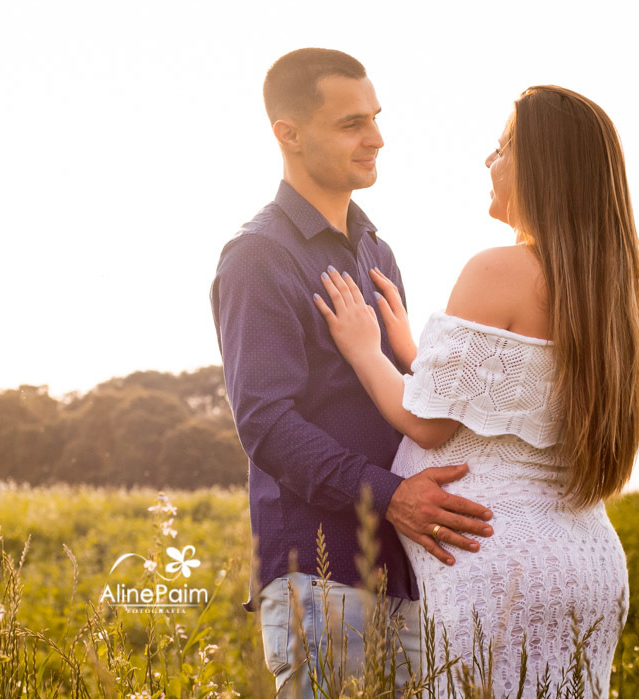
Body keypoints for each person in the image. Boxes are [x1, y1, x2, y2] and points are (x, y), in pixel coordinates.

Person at [313, 85, 639, 695]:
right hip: (590, 564)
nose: (489, 163)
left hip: (501, 560)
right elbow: (515, 395)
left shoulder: (498, 268)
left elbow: (429, 424)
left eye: (502, 148)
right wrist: (416, 354)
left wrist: (366, 350)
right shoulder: (609, 295)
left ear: (542, 165)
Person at [210, 48, 495, 696]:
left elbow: (405, 401)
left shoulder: (376, 249)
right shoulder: (259, 255)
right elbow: (266, 424)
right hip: (320, 572)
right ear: (288, 133)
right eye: (351, 124)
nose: (377, 138)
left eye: (375, 117)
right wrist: (391, 495)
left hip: (407, 568)